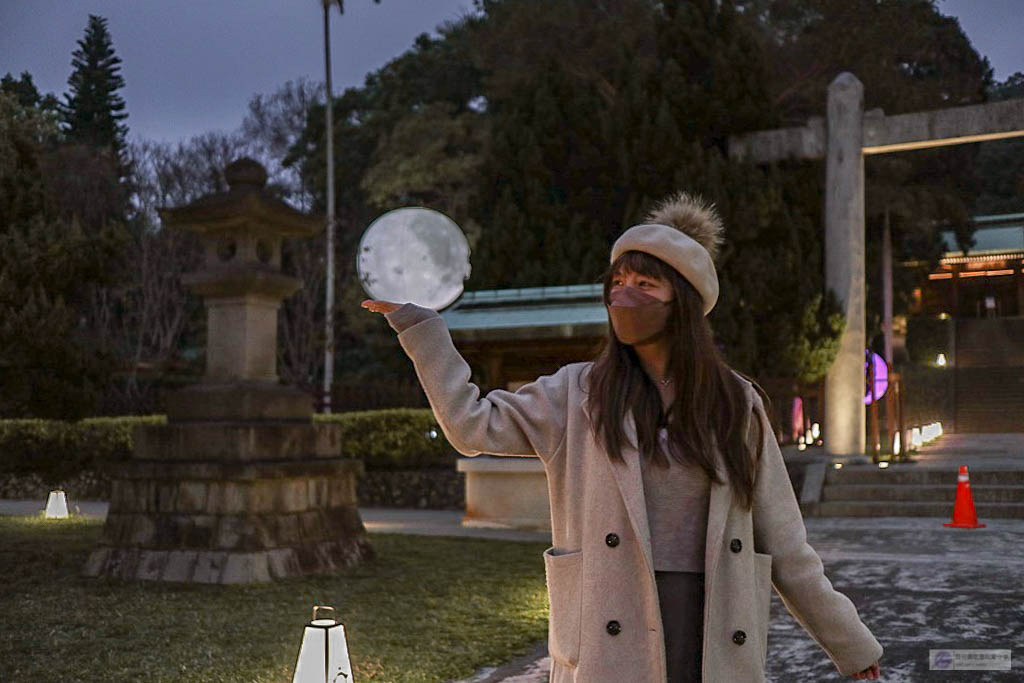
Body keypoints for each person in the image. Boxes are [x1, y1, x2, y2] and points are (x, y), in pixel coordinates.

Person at [361, 191, 883, 682]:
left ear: (683, 301)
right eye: (617, 283)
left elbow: (786, 544)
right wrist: (422, 327)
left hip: (712, 617)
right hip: (610, 620)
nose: (624, 296)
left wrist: (852, 648)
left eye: (644, 285)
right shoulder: (576, 393)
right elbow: (470, 425)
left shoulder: (735, 403)